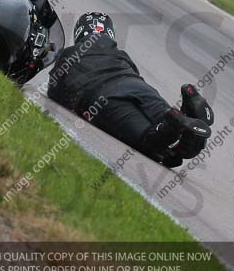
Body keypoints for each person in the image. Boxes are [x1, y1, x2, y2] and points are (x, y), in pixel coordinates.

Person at [48, 12, 214, 168]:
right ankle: (183, 119)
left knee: (147, 139)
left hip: (105, 97)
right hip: (138, 86)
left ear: (79, 33)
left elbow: (55, 93)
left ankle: (170, 128)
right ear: (110, 33)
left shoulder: (69, 53)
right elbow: (134, 73)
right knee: (165, 117)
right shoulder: (120, 54)